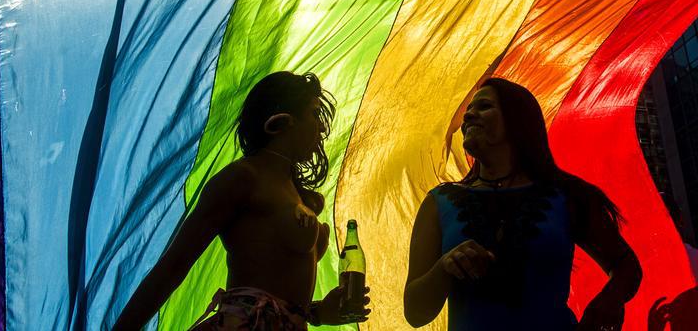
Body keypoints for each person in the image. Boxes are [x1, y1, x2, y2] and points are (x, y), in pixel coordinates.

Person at [113, 71, 370, 330]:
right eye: (315, 114)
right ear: (283, 121)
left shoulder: (300, 195)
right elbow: (173, 267)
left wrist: (317, 313)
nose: (323, 127)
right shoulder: (242, 178)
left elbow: (280, 297)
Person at [404, 78, 642, 330]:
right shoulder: (438, 203)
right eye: (468, 112)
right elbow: (415, 314)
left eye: (483, 106)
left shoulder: (568, 195)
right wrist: (444, 267)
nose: (469, 116)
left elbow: (627, 268)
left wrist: (607, 301)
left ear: (517, 120)